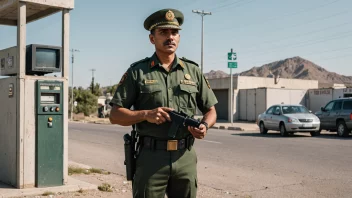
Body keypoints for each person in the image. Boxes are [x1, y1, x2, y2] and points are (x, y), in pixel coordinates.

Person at [109, 8, 218, 198]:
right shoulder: (138, 72)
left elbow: (211, 110)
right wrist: (145, 114)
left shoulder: (193, 71)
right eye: (163, 32)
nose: (170, 37)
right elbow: (115, 115)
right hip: (151, 158)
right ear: (152, 38)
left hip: (185, 157)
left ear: (179, 37)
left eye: (174, 32)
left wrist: (204, 126)